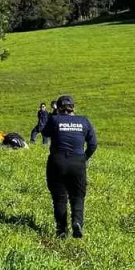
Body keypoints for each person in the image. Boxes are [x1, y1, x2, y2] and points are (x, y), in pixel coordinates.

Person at [42, 95, 98, 239]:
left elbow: (45, 132)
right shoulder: (84, 121)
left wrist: (55, 116)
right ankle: (77, 222)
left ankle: (61, 230)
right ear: (74, 107)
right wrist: (83, 158)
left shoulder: (54, 119)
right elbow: (93, 144)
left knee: (59, 198)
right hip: (78, 162)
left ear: (58, 108)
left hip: (57, 161)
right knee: (78, 196)